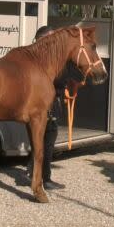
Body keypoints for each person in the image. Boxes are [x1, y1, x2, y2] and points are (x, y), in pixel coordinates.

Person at [25, 25, 74, 190]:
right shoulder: (43, 60)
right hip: (46, 106)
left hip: (48, 103)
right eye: (51, 38)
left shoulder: (37, 57)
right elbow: (54, 81)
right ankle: (44, 178)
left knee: (41, 141)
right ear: (43, 40)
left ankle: (33, 172)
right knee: (46, 143)